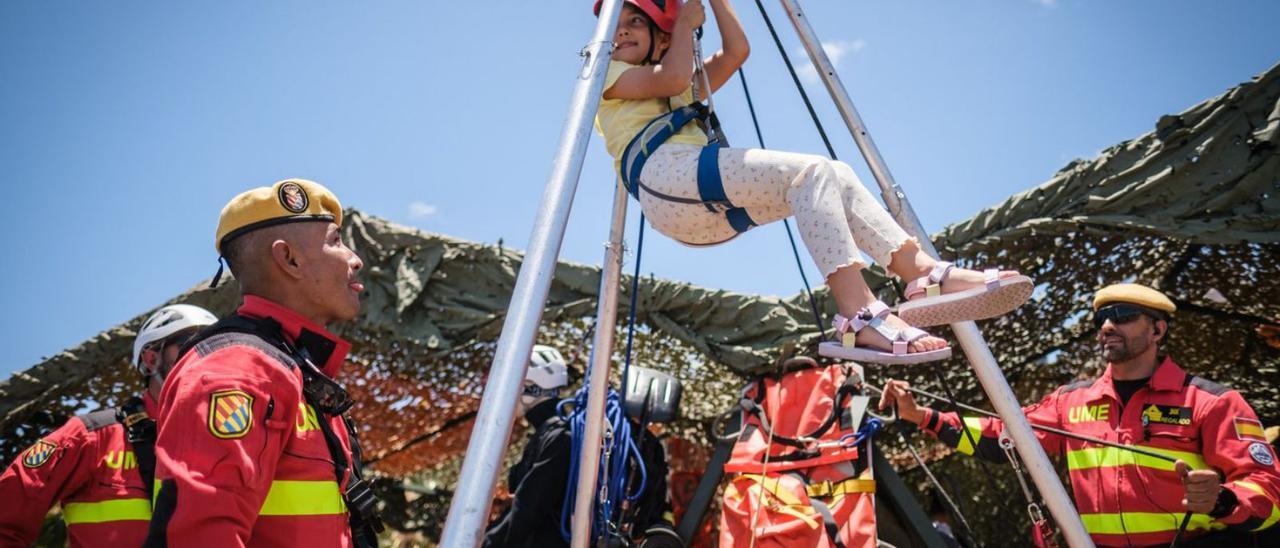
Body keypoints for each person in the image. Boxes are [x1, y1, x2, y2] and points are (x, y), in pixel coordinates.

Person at [592, 0, 1032, 364]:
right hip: (667, 179)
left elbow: (736, 53)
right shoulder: (605, 75)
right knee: (812, 172)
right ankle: (857, 314)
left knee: (831, 176)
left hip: (700, 209)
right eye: (617, 24)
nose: (621, 32)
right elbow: (669, 75)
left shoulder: (680, 87)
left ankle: (920, 274)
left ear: (662, 39)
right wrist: (687, 20)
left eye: (635, 22)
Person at [879, 283, 1280, 546]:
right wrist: (922, 416)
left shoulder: (1212, 401)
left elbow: (1268, 491)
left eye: (1122, 315)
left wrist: (1224, 501)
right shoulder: (1071, 401)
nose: (1107, 325)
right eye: (1101, 319)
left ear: (1158, 330)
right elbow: (1003, 438)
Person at [144, 178, 383, 547]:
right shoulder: (235, 370)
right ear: (289, 259)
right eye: (336, 241)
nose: (355, 258)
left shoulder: (292, 369)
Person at [0, 304, 217, 547]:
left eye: (216, 349)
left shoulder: (233, 438)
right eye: (191, 345)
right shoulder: (91, 437)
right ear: (151, 359)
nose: (206, 357)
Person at [484, 345, 573, 548]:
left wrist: (486, 543)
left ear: (528, 387)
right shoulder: (549, 432)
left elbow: (528, 508)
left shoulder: (559, 436)